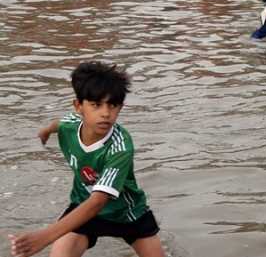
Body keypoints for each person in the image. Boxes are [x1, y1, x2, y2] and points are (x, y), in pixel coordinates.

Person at [8, 62, 165, 257]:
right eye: (96, 105)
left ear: (120, 107)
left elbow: (98, 201)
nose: (105, 113)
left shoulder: (120, 147)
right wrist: (45, 131)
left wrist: (44, 237)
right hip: (83, 207)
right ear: (79, 106)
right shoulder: (71, 125)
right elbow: (59, 124)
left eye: (112, 105)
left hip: (128, 215)